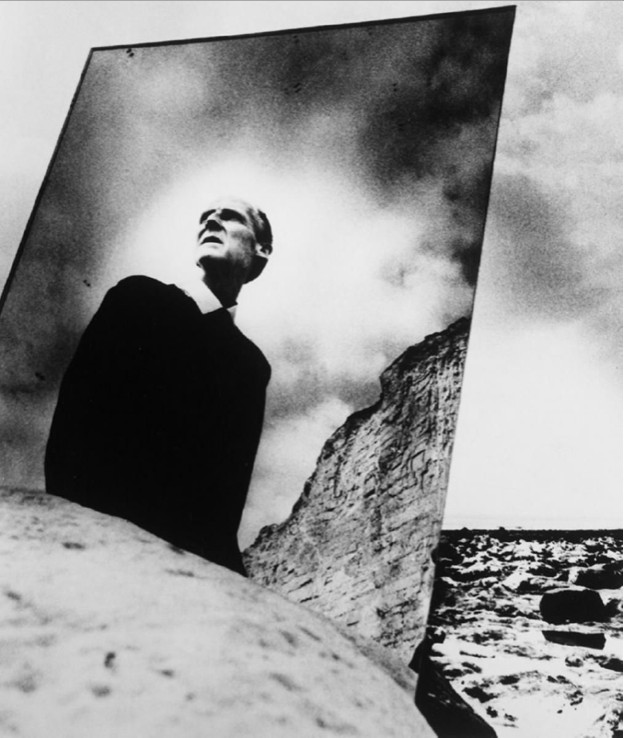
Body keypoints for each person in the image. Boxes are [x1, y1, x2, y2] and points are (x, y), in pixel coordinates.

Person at [45, 197, 273, 575]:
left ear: (262, 249)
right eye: (205, 218)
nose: (210, 222)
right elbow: (73, 430)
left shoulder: (252, 366)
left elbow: (226, 501)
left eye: (230, 217)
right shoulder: (139, 298)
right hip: (100, 550)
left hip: (185, 574)